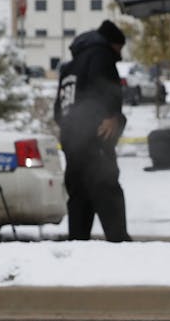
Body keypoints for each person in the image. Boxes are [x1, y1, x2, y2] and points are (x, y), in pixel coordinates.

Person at [55, 20, 131, 242]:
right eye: (120, 48)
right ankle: (121, 245)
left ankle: (78, 246)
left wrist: (72, 131)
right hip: (95, 138)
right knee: (107, 191)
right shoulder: (101, 55)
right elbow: (108, 89)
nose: (120, 54)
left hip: (72, 142)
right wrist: (113, 116)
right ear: (113, 43)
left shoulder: (70, 67)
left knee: (79, 198)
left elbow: (58, 110)